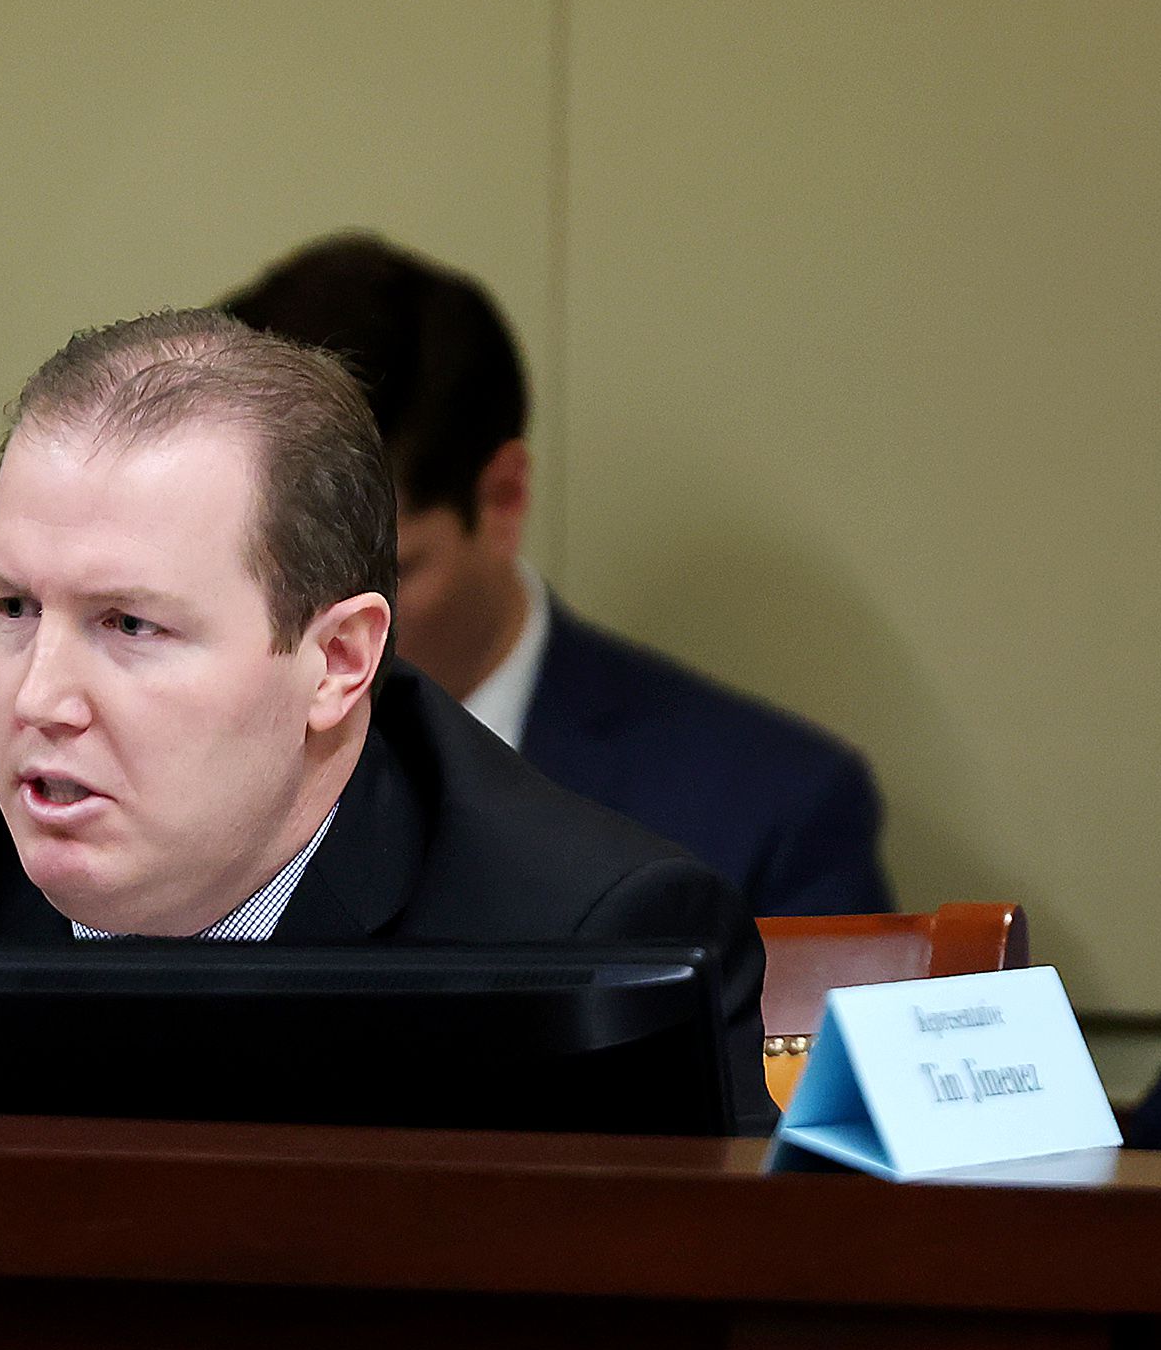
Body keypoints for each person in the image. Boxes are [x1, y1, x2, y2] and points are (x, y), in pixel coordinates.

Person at [0, 309, 774, 1133]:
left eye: (130, 624)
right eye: (14, 607)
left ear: (338, 661)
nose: (38, 698)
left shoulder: (586, 946)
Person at [222, 232, 892, 918]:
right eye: (263, 581)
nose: (311, 642)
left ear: (502, 498)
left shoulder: (765, 812)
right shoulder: (139, 782)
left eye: (373, 582)